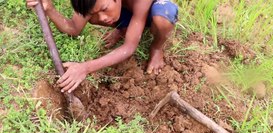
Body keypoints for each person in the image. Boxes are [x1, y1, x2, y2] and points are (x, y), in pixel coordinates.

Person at [26, 0, 178, 93]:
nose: (102, 18)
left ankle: (156, 47)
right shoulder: (95, 2)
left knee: (163, 17)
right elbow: (73, 28)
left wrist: (85, 68)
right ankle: (123, 28)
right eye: (96, 13)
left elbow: (129, 47)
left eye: (104, 9)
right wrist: (50, 9)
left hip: (151, 10)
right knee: (94, 14)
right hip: (127, 11)